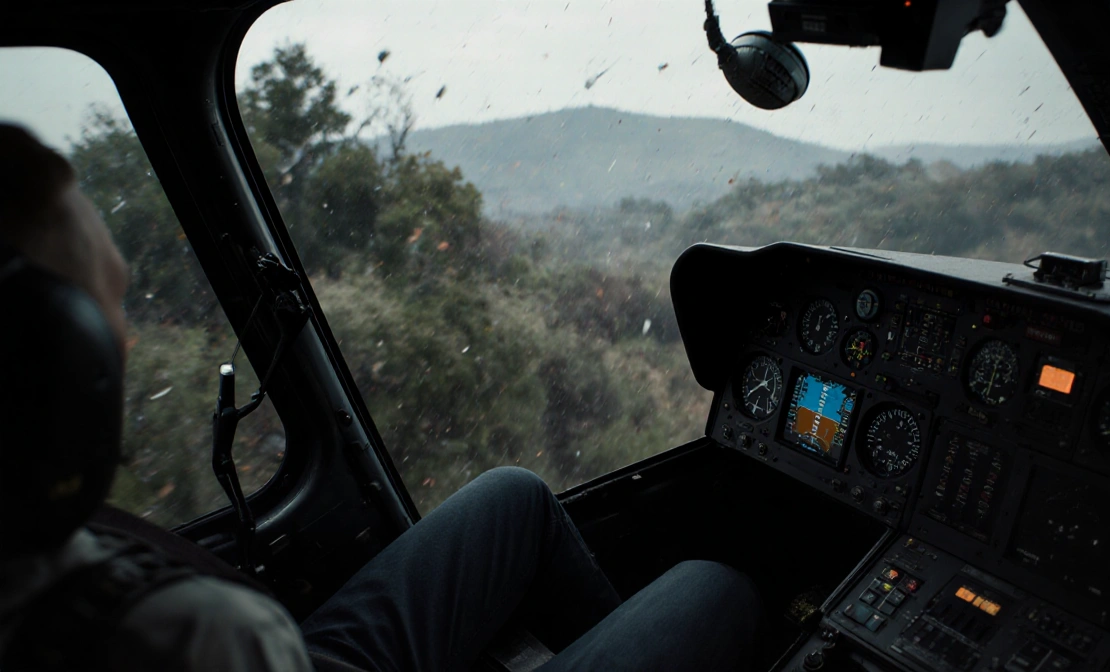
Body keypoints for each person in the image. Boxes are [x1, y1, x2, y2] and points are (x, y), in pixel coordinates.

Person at [0, 122, 763, 672]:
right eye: (110, 317)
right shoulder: (189, 636)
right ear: (52, 370)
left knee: (516, 497)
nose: (128, 346)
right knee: (712, 587)